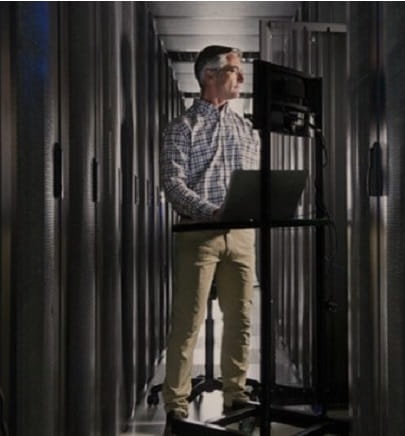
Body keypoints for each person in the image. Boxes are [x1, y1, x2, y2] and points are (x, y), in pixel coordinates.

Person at [160, 45, 260, 435]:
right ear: (209, 76)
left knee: (241, 318)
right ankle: (176, 404)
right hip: (198, 233)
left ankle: (236, 394)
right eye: (235, 70)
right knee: (188, 321)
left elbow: (253, 177)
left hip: (242, 234)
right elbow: (173, 183)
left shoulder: (245, 128)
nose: (241, 77)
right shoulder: (181, 128)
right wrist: (210, 211)